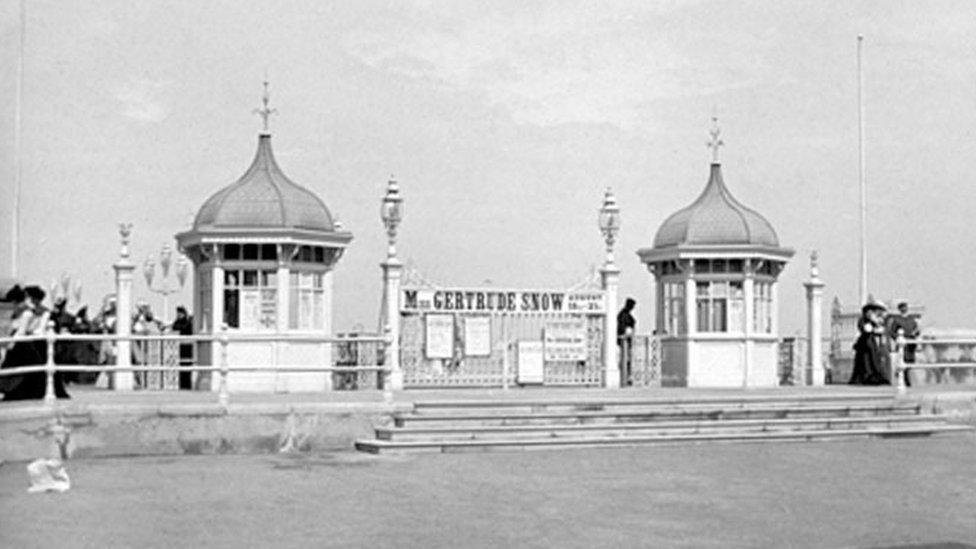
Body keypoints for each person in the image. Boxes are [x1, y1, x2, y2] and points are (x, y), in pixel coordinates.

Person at [0, 286, 69, 400]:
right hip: (26, 343)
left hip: (33, 344)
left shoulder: (39, 313)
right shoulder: (22, 313)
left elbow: (33, 331)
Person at [848, 301, 890, 385]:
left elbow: (882, 329)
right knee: (866, 361)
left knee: (875, 359)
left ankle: (876, 376)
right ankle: (867, 376)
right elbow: (865, 329)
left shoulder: (878, 320)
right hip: (865, 343)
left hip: (873, 343)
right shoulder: (863, 320)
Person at [886, 300, 920, 387]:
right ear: (900, 309)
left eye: (905, 307)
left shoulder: (911, 319)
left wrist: (915, 333)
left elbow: (917, 330)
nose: (904, 309)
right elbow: (891, 332)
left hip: (911, 343)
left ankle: (903, 375)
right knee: (903, 359)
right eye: (902, 307)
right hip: (902, 343)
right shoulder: (897, 320)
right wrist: (897, 338)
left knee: (911, 361)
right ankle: (905, 380)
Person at [170, 306, 194, 390]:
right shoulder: (178, 321)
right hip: (179, 347)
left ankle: (187, 385)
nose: (178, 315)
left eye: (180, 313)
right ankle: (182, 385)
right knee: (181, 366)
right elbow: (174, 327)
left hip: (187, 347)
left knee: (187, 366)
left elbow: (183, 328)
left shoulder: (187, 322)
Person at [616, 298, 637, 386]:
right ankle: (625, 377)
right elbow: (622, 327)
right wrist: (626, 333)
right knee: (625, 359)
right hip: (624, 341)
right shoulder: (624, 315)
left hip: (627, 340)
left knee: (627, 359)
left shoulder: (624, 314)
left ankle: (626, 376)